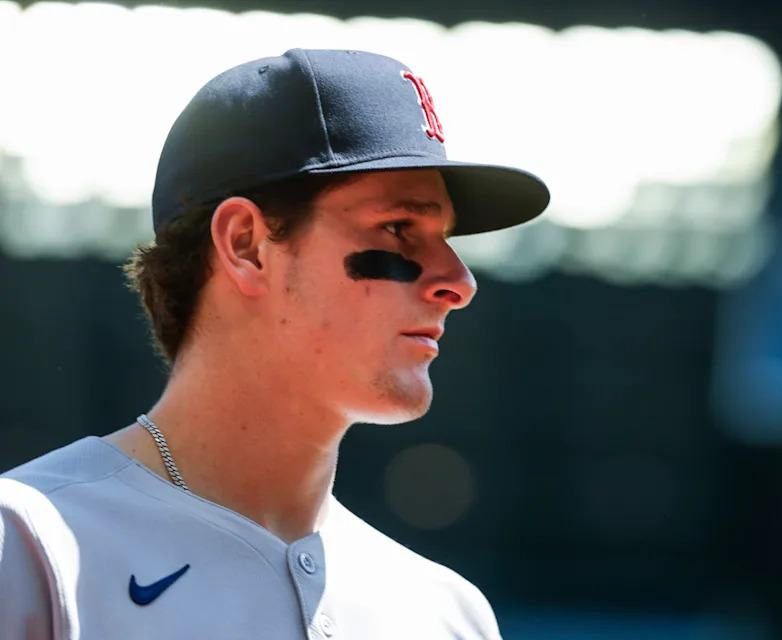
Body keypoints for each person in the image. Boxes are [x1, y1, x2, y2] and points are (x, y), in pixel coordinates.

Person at [0, 48, 549, 639]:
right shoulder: (29, 545)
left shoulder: (447, 614)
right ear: (246, 245)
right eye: (398, 228)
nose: (459, 282)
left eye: (442, 235)